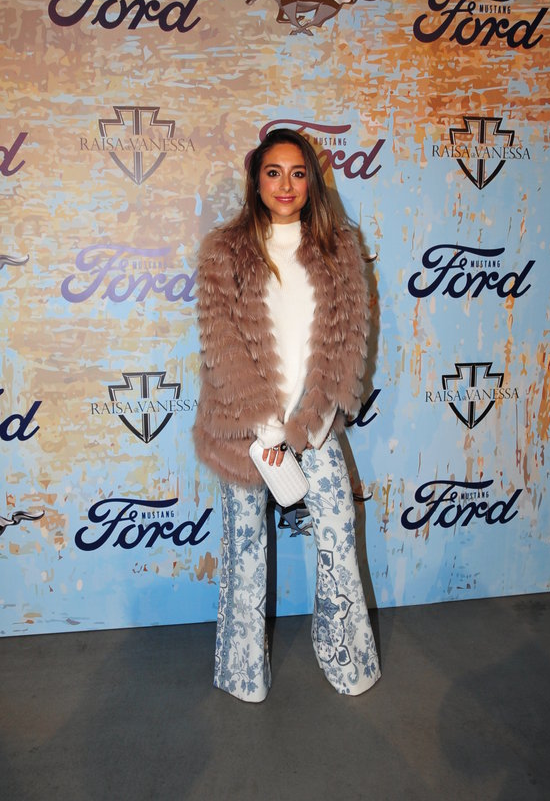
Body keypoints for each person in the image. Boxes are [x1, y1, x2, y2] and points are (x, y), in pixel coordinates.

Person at [193, 127, 380, 702]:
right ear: (256, 180)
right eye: (273, 172)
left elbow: (350, 341)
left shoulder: (339, 248)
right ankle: (243, 673)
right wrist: (265, 426)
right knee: (244, 551)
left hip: (313, 425)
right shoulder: (224, 251)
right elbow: (220, 342)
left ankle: (348, 661)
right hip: (243, 431)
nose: (286, 185)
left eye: (298, 173)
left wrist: (308, 425)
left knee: (338, 533)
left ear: (312, 182)